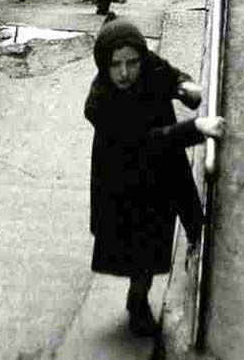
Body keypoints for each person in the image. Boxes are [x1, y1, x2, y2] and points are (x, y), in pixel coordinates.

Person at [84, 17, 225, 336]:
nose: (124, 72)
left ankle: (140, 299)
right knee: (140, 251)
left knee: (152, 243)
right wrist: (195, 128)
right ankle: (137, 305)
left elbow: (168, 75)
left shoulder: (148, 67)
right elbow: (143, 140)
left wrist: (183, 86)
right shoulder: (102, 103)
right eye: (116, 65)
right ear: (104, 66)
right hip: (123, 183)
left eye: (131, 63)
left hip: (158, 172)